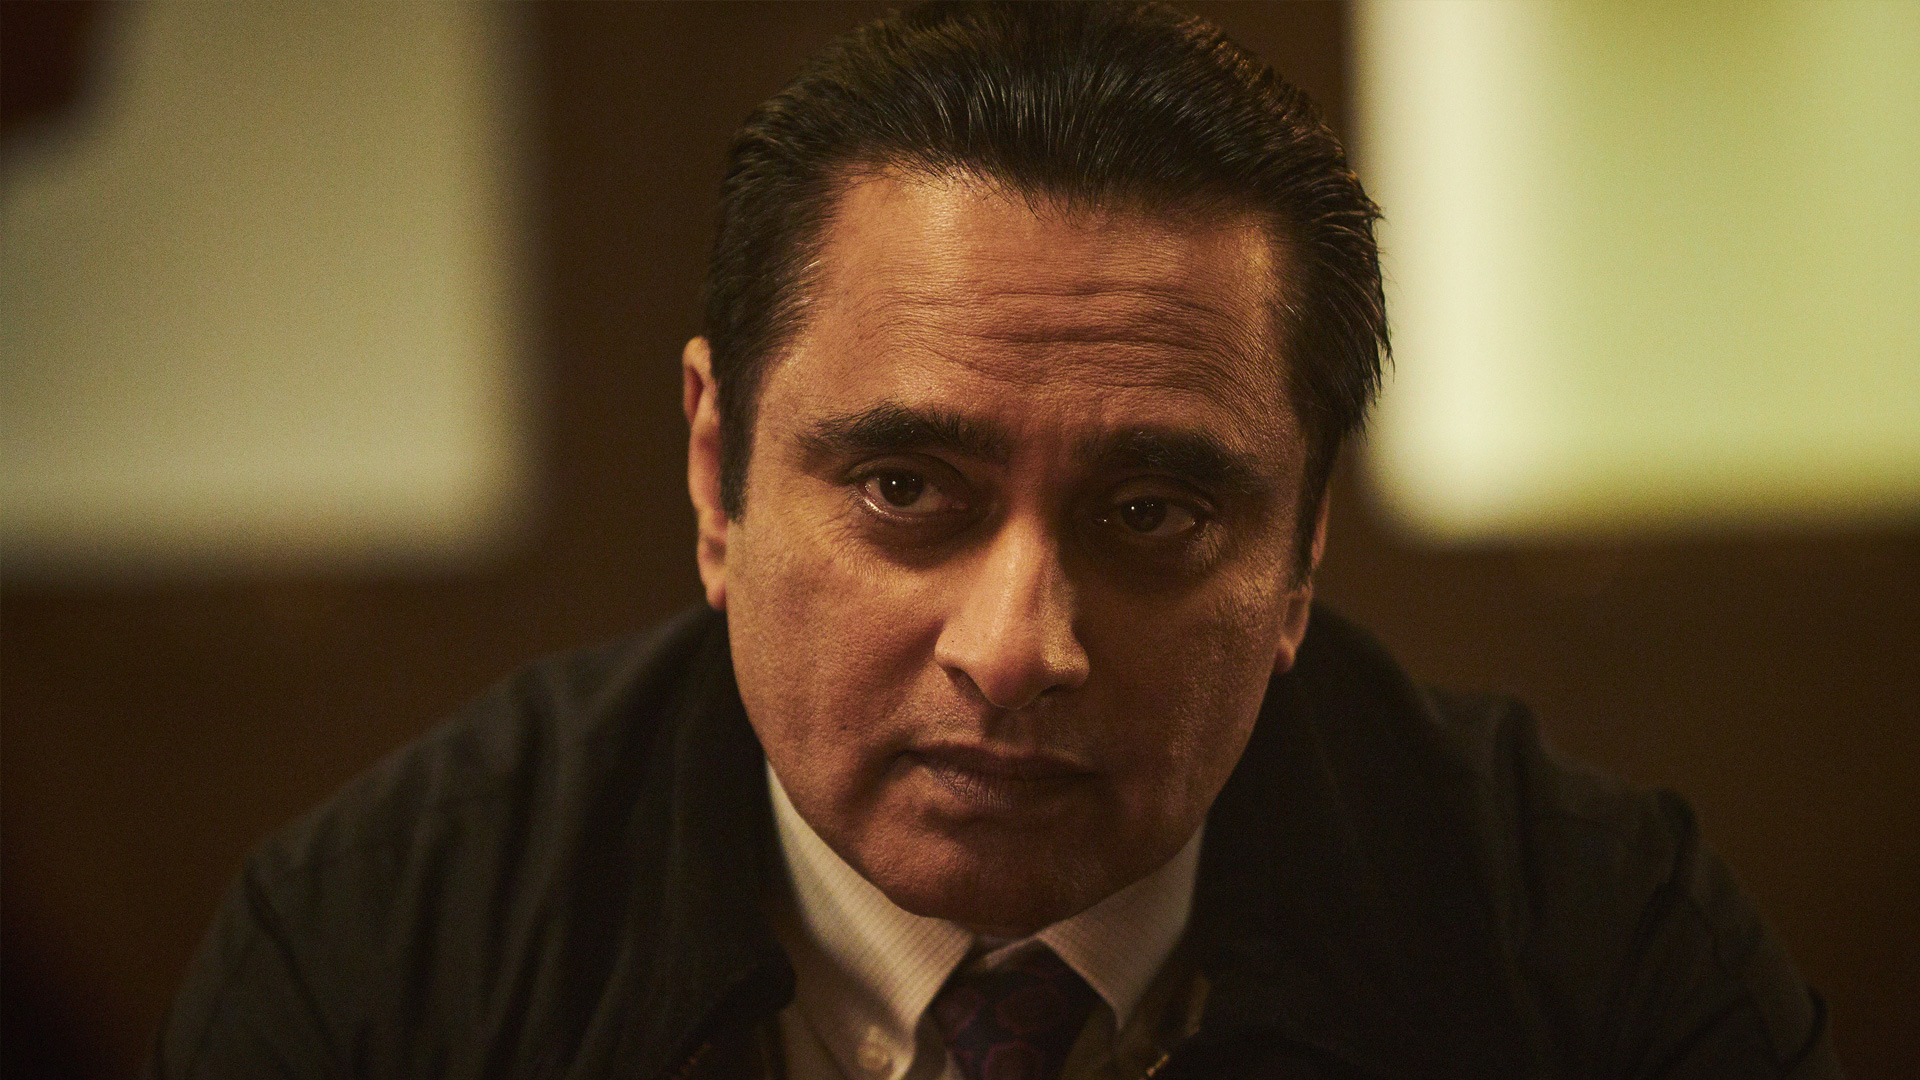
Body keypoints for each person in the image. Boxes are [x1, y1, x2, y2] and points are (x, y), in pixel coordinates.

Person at [149, 4, 1841, 1078]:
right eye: (905, 491)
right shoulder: (391, 952)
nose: (1019, 648)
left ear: (1303, 558)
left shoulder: (1591, 948)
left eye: (1153, 514)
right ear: (718, 476)